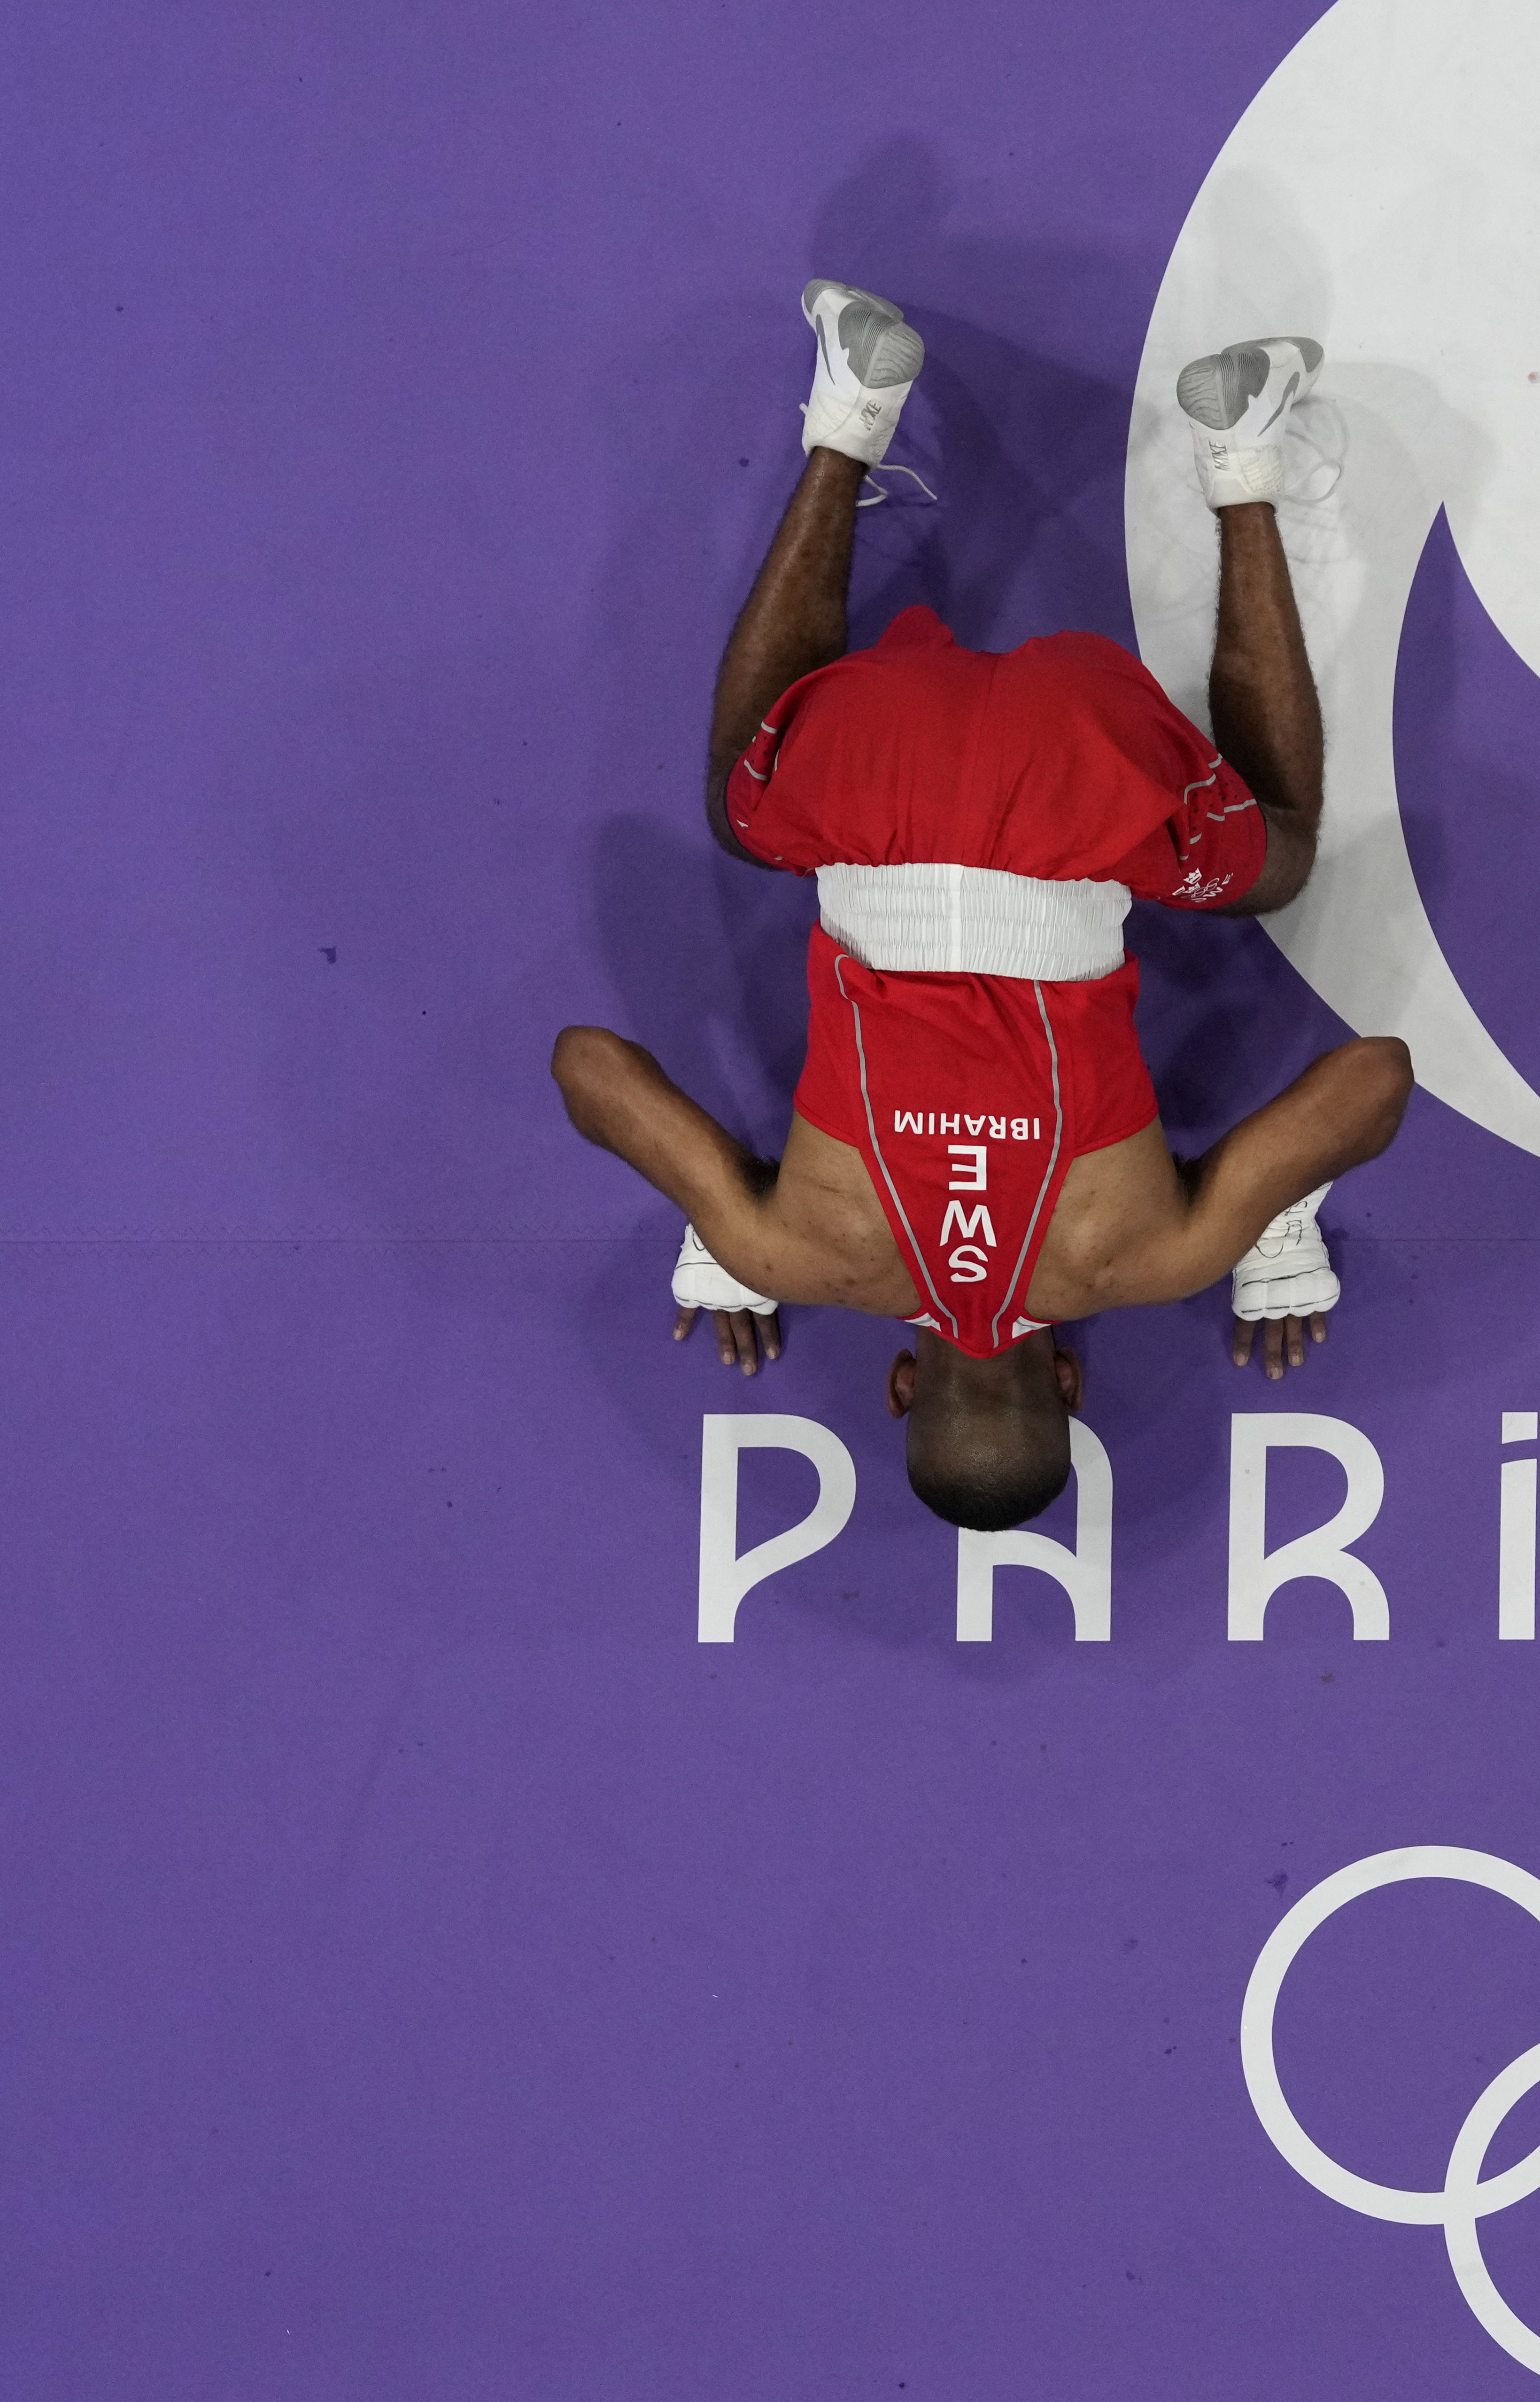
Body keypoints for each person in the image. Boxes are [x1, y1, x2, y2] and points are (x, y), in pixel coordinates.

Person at [553, 280, 1409, 1532]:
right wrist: (719, 1213)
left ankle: (1243, 452)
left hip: (1076, 767)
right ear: (905, 1385)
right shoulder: (799, 1253)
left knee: (1277, 852)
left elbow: (1374, 1079)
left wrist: (1264, 1229)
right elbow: (587, 1067)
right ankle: (849, 410)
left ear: (1068, 1378)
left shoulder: (1145, 1259)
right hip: (871, 771)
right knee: (743, 806)